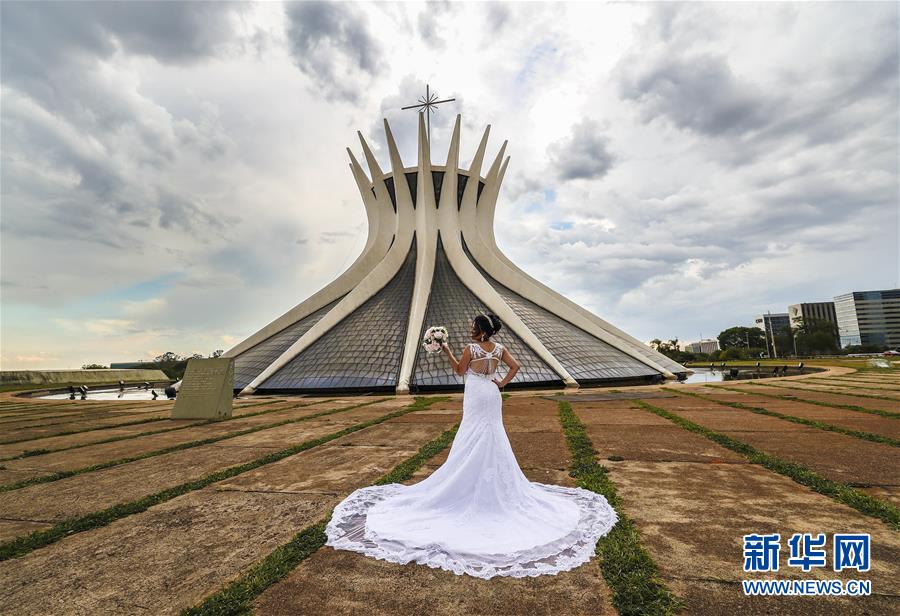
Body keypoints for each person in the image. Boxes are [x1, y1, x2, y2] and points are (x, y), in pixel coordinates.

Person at [325, 313, 618, 579]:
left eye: (473, 326)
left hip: (476, 393)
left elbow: (459, 370)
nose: (470, 328)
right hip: (491, 392)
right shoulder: (499, 349)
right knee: (493, 432)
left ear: (480, 330)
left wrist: (447, 350)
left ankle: (465, 477)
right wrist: (502, 382)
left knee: (472, 433)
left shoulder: (471, 349)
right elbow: (515, 366)